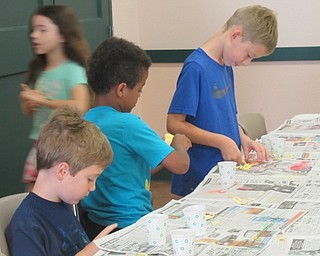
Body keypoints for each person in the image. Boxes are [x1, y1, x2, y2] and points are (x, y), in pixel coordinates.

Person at [79, 37, 192, 240]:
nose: (139, 95)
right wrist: (179, 145)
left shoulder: (85, 121)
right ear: (121, 89)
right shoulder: (128, 124)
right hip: (132, 224)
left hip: (96, 226)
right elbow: (180, 165)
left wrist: (158, 154)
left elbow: (134, 170)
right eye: (139, 90)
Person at [167, 5, 278, 196]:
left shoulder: (226, 66)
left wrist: (242, 138)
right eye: (249, 55)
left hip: (223, 173)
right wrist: (222, 142)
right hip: (200, 177)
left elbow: (226, 116)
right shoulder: (196, 67)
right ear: (236, 35)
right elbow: (174, 123)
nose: (246, 63)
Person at [5, 106, 117, 255]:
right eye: (90, 179)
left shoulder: (65, 205)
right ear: (63, 171)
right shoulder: (26, 226)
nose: (93, 187)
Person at [20, 5, 91, 191]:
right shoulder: (40, 70)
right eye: (33, 30)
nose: (34, 35)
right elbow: (30, 112)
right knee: (32, 198)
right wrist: (29, 102)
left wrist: (44, 101)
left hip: (64, 149)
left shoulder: (72, 70)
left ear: (62, 35)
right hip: (40, 145)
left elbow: (80, 106)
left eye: (42, 30)